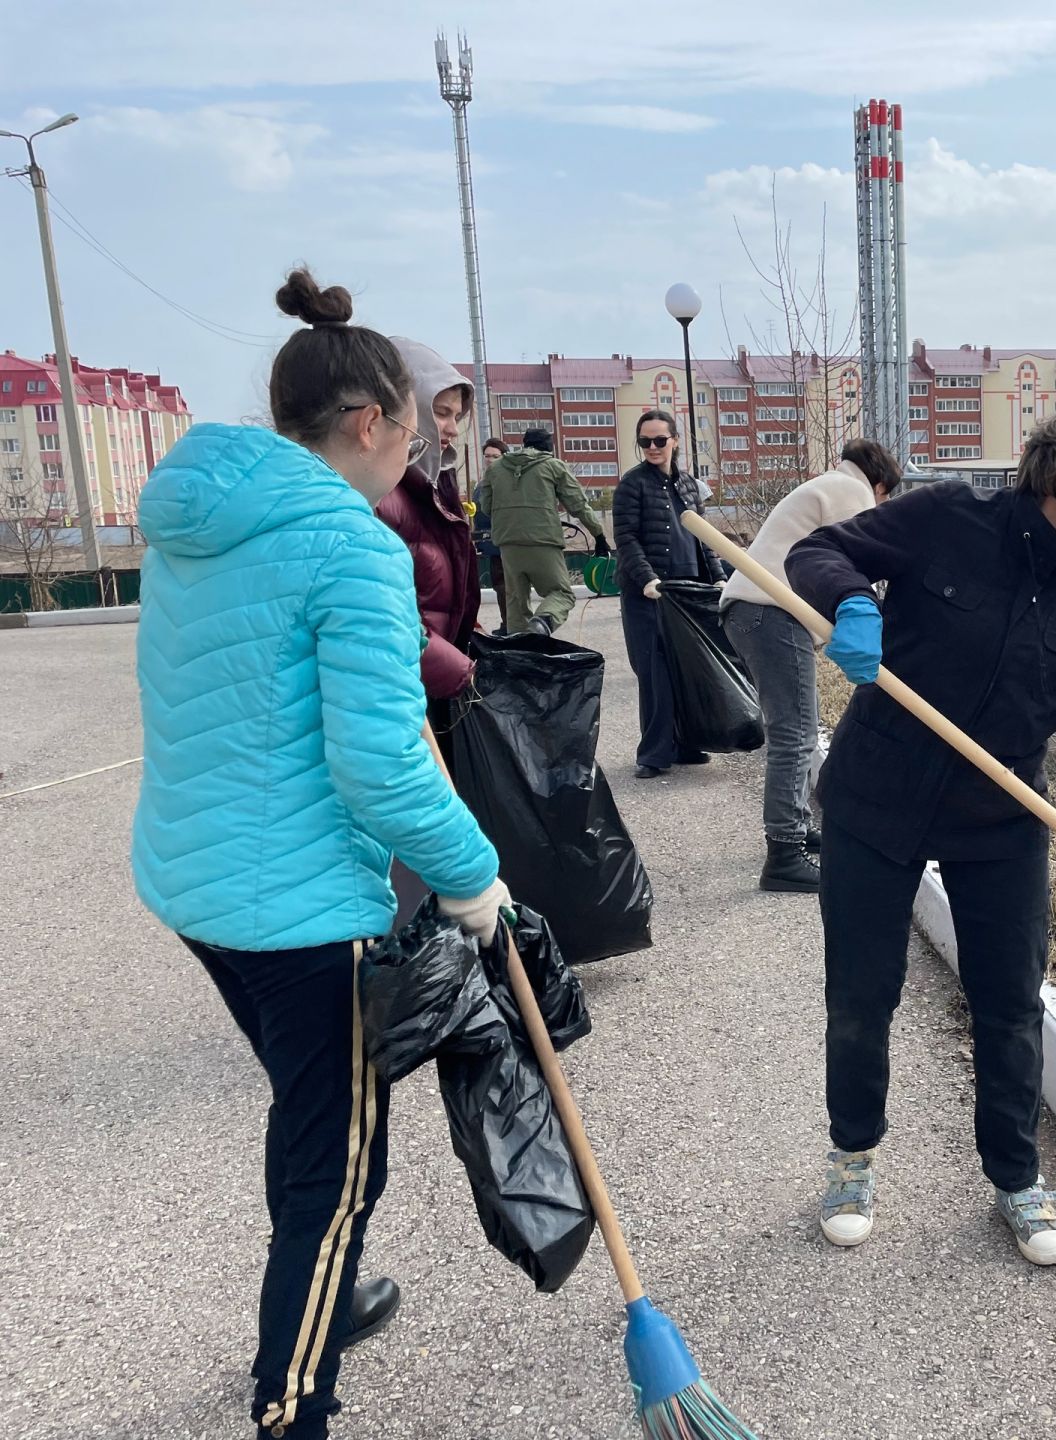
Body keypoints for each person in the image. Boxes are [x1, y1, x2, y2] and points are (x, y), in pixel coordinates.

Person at [131, 268, 511, 1439]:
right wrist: (474, 876)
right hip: (298, 911)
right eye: (411, 430)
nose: (416, 454)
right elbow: (384, 769)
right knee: (341, 1175)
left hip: (194, 885)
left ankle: (320, 1303)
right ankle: (291, 1402)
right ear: (367, 423)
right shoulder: (351, 546)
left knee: (308, 1113)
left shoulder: (196, 510)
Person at [787, 397, 1056, 1267]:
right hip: (878, 797)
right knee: (862, 990)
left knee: (1008, 1002)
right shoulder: (949, 518)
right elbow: (820, 551)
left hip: (1002, 818)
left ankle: (1017, 1179)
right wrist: (849, 603)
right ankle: (852, 1158)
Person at [720, 439, 902, 892]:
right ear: (880, 484)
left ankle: (797, 828)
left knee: (796, 728)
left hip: (754, 611)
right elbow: (853, 563)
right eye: (885, 500)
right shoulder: (850, 492)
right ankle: (784, 854)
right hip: (770, 610)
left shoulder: (827, 484)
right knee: (795, 734)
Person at [374, 339, 480, 750]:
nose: (452, 427)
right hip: (410, 683)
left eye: (457, 415)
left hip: (429, 675)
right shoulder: (382, 491)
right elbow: (385, 614)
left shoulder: (435, 480)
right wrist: (461, 672)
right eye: (440, 413)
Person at [612, 408, 727, 778]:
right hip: (647, 592)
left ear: (675, 441)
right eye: (645, 441)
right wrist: (646, 578)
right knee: (654, 671)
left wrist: (719, 577)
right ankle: (653, 754)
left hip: (686, 590)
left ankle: (685, 744)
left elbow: (702, 536)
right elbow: (626, 538)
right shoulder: (632, 484)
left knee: (686, 668)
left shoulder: (690, 485)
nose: (653, 447)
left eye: (660, 440)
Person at [473, 425, 607, 635]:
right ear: (548, 447)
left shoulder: (495, 469)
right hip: (543, 540)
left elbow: (486, 506)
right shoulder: (553, 466)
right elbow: (578, 504)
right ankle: (542, 622)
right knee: (561, 593)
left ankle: (521, 653)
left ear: (524, 444)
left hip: (508, 543)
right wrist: (598, 533)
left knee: (516, 602)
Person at [473, 436, 509, 631]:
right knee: (499, 585)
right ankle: (508, 624)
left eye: (494, 456)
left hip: (505, 541)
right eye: (487, 456)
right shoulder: (483, 483)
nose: (489, 460)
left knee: (505, 586)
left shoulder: (505, 482)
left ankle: (510, 626)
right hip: (490, 542)